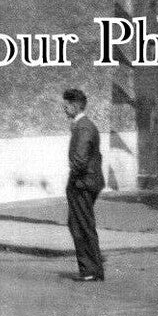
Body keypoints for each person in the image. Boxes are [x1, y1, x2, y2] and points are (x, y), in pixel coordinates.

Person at [63, 88, 105, 281]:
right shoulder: (81, 126)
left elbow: (80, 160)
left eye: (67, 104)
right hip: (84, 182)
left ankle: (91, 270)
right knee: (77, 224)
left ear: (76, 105)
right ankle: (90, 268)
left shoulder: (84, 127)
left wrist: (74, 175)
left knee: (82, 226)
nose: (64, 108)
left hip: (83, 184)